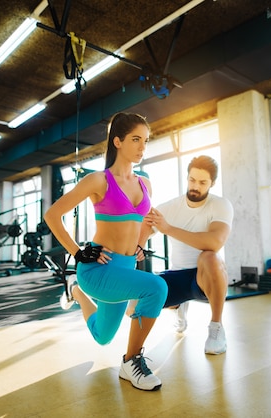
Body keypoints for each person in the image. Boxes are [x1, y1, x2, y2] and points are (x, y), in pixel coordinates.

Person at [44, 112, 168, 391]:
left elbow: (145, 221)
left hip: (125, 269)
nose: (142, 147)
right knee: (157, 288)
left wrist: (140, 244)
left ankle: (75, 291)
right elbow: (53, 215)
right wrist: (77, 253)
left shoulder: (144, 183)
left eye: (145, 141)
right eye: (136, 139)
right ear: (118, 142)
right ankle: (131, 361)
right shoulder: (98, 181)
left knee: (102, 335)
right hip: (98, 268)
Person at [140, 155, 234, 355]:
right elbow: (143, 229)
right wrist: (137, 247)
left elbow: (215, 242)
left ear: (212, 183)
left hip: (205, 276)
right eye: (192, 180)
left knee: (209, 256)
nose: (195, 186)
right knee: (134, 307)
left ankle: (216, 327)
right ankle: (179, 305)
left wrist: (168, 229)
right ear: (187, 178)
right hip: (178, 276)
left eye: (202, 182)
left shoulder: (220, 205)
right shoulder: (170, 207)